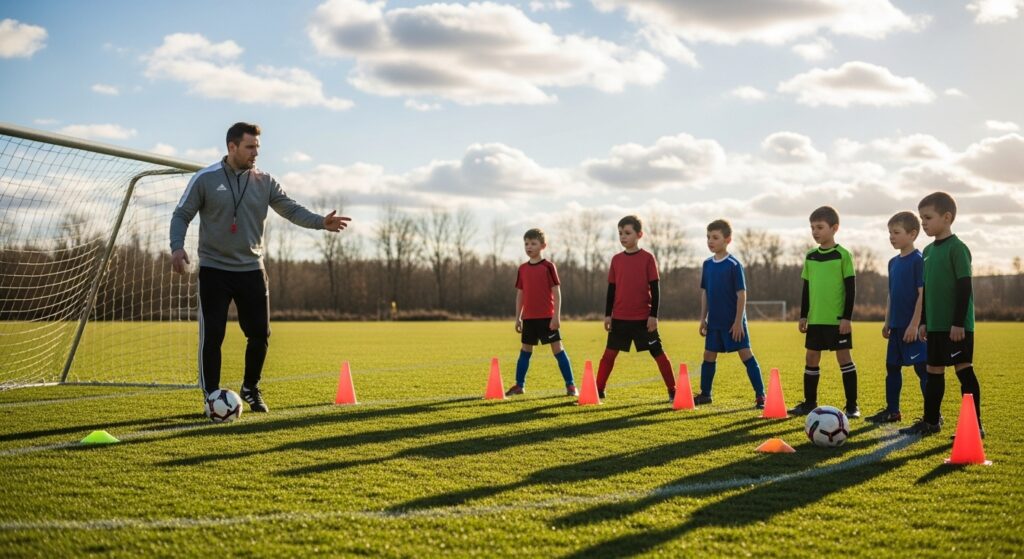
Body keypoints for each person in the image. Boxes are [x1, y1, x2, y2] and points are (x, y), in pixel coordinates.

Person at [169, 122, 350, 413]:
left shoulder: (265, 181)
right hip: (214, 270)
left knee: (259, 334)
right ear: (232, 147)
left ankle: (250, 388)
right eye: (249, 147)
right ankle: (212, 396)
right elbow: (181, 215)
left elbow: (290, 209)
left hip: (252, 269)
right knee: (213, 334)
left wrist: (320, 222)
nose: (256, 153)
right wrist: (177, 246)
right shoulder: (205, 179)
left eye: (257, 148)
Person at [900, 192, 983, 437]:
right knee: (933, 371)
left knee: (963, 371)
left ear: (947, 218)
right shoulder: (927, 252)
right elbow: (926, 291)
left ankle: (975, 426)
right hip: (935, 326)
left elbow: (964, 287)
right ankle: (931, 422)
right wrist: (924, 321)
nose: (923, 222)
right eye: (921, 217)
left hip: (956, 327)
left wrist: (958, 323)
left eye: (928, 217)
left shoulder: (958, 248)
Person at [789, 206, 860, 418]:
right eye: (812, 228)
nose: (815, 232)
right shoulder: (810, 256)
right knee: (811, 358)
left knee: (844, 359)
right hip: (816, 319)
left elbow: (851, 289)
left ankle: (852, 406)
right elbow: (806, 288)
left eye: (819, 227)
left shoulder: (843, 255)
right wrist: (803, 315)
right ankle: (810, 403)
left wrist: (847, 317)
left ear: (834, 228)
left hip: (838, 321)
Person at [596, 215, 676, 402]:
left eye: (627, 233)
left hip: (643, 319)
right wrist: (608, 315)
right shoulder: (616, 260)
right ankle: (598, 389)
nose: (623, 237)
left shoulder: (648, 258)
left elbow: (656, 289)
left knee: (658, 353)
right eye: (620, 233)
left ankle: (673, 390)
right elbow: (611, 289)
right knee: (608, 355)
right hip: (620, 319)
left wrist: (653, 315)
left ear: (639, 234)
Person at [694, 219, 765, 409]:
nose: (710, 241)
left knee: (746, 355)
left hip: (733, 323)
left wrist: (737, 322)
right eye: (708, 237)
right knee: (708, 355)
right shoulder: (707, 264)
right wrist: (703, 318)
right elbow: (705, 293)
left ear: (727, 240)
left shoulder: (734, 265)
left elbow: (741, 294)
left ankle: (761, 396)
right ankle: (705, 394)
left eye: (715, 237)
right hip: (714, 323)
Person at [867, 211, 928, 423]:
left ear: (912, 234)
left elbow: (923, 295)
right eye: (889, 232)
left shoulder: (919, 261)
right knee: (892, 367)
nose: (891, 236)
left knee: (923, 369)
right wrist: (886, 321)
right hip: (895, 326)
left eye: (896, 232)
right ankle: (892, 411)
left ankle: (933, 415)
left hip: (912, 328)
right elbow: (891, 294)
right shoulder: (893, 263)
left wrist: (914, 324)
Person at [505, 228, 576, 397]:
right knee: (525, 350)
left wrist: (556, 316)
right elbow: (520, 295)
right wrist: (518, 318)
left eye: (533, 243)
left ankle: (571, 386)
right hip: (529, 319)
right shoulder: (522, 269)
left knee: (558, 349)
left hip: (547, 319)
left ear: (543, 245)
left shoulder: (548, 266)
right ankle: (519, 386)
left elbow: (557, 293)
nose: (529, 247)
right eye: (526, 244)